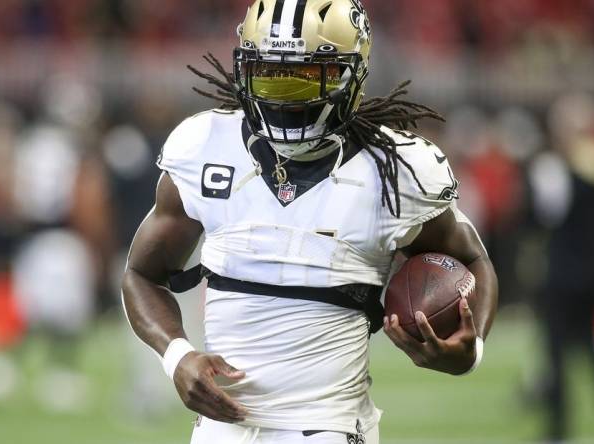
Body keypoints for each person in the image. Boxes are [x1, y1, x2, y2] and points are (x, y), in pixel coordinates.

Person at [122, 1, 498, 443]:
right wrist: (177, 355)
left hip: (330, 430)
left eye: (303, 79)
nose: (282, 100)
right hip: (219, 433)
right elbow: (141, 274)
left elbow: (473, 261)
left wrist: (469, 351)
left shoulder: (397, 172)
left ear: (350, 76)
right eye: (269, 77)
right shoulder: (205, 146)